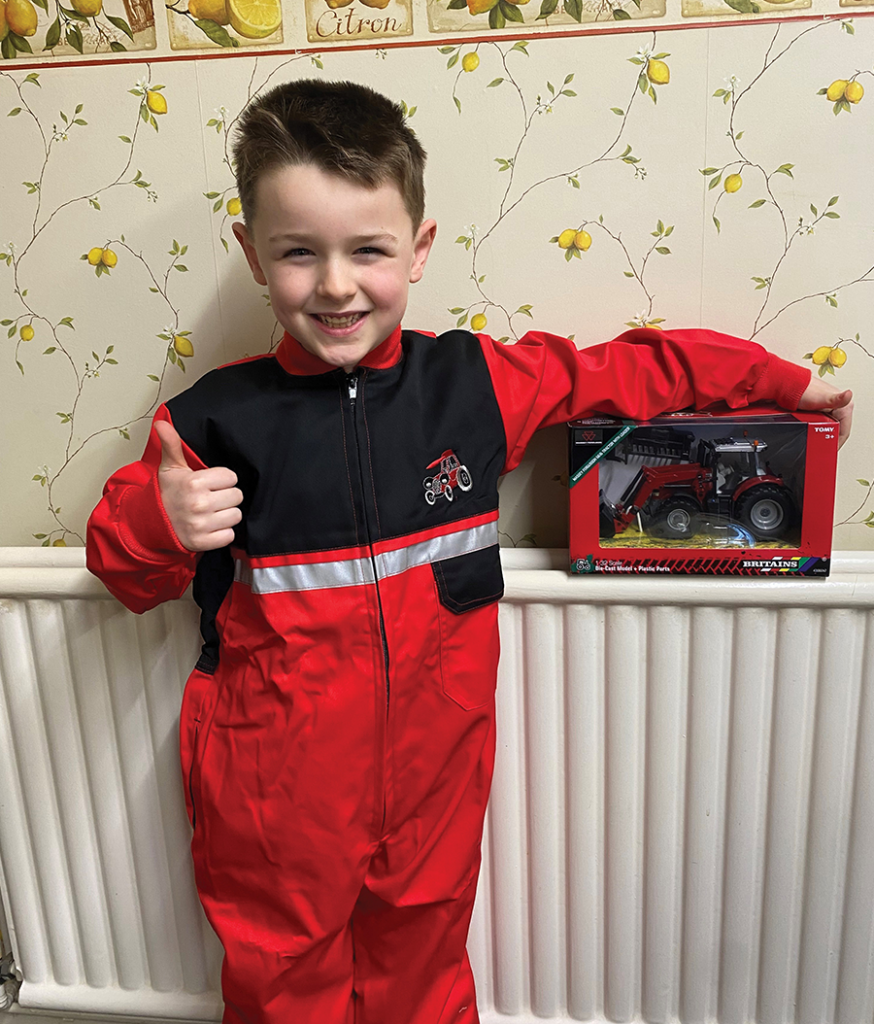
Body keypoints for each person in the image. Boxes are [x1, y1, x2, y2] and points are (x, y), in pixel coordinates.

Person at [86, 79, 853, 1024]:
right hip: (273, 789)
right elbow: (122, 569)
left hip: (435, 776)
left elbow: (626, 370)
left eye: (367, 249)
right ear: (253, 254)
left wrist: (781, 386)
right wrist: (162, 520)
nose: (334, 285)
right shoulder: (210, 417)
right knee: (285, 987)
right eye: (298, 253)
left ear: (418, 247)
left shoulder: (474, 385)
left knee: (427, 975)